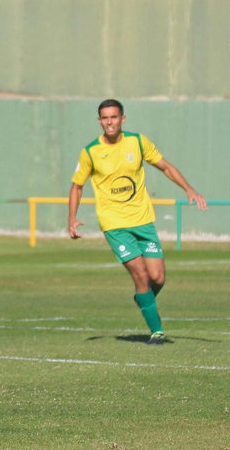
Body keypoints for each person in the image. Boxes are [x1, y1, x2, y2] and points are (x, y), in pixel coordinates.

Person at [69, 100, 208, 345]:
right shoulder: (90, 151)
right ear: (99, 121)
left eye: (113, 117)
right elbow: (77, 186)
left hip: (143, 220)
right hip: (114, 224)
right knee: (141, 277)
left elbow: (165, 166)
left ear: (123, 119)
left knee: (158, 278)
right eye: (104, 118)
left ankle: (144, 299)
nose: (109, 122)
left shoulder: (137, 142)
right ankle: (157, 331)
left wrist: (189, 189)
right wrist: (71, 218)